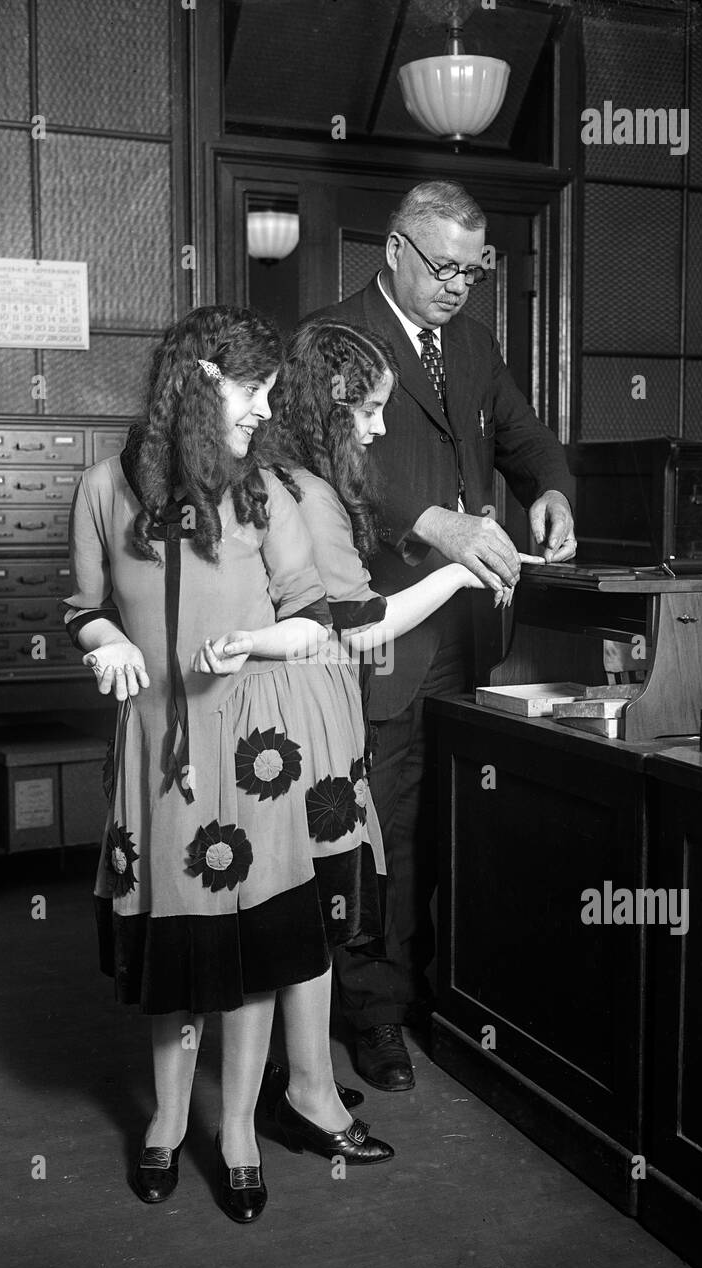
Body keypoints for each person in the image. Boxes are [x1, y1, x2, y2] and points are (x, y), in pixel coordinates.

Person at [63, 306, 393, 1226]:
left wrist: (254, 643)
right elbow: (84, 606)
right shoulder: (103, 488)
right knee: (178, 954)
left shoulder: (264, 494)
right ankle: (167, 1123)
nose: (264, 409)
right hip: (155, 757)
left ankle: (241, 1132)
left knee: (251, 954)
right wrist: (102, 644)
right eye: (252, 391)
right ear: (203, 383)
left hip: (253, 758)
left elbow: (314, 616)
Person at [310, 180, 577, 1091]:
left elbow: (525, 438)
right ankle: (374, 1014)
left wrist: (549, 489)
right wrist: (436, 523)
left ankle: (445, 991)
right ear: (393, 249)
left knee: (461, 816)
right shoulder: (334, 337)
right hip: (379, 628)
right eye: (442, 266)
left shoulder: (470, 341)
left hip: (471, 631)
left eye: (473, 268)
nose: (458, 285)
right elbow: (328, 465)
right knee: (381, 824)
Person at [257, 318, 500, 1102]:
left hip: (265, 712)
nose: (380, 427)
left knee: (279, 882)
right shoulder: (312, 492)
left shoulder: (265, 472)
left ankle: (277, 1078)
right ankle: (307, 1084)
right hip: (309, 708)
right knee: (323, 878)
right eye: (366, 412)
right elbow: (360, 626)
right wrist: (459, 572)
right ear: (330, 408)